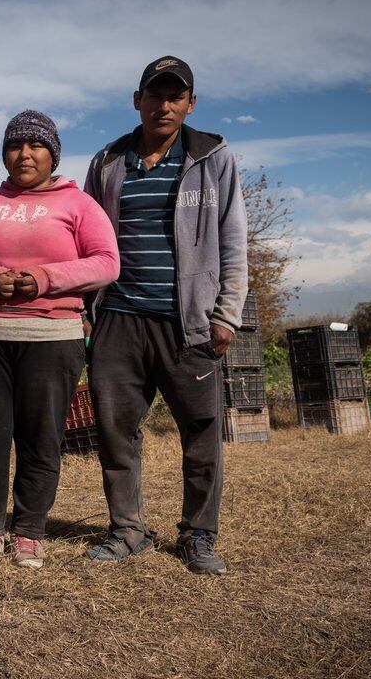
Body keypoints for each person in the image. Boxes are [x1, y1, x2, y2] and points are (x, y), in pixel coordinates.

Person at [82, 56, 248, 575]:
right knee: (115, 430)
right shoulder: (107, 161)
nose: (164, 105)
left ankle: (199, 534)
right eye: (155, 95)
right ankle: (129, 530)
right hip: (119, 319)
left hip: (188, 325)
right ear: (138, 100)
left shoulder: (212, 156)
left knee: (200, 431)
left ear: (190, 104)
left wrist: (226, 316)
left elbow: (234, 239)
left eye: (176, 96)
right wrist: (89, 310)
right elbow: (86, 239)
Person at [0, 110, 119, 569]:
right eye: (15, 146)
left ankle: (28, 531)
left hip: (52, 336)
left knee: (41, 438)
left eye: (35, 146)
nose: (24, 154)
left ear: (52, 154)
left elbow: (105, 262)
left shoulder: (78, 204)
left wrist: (43, 278)